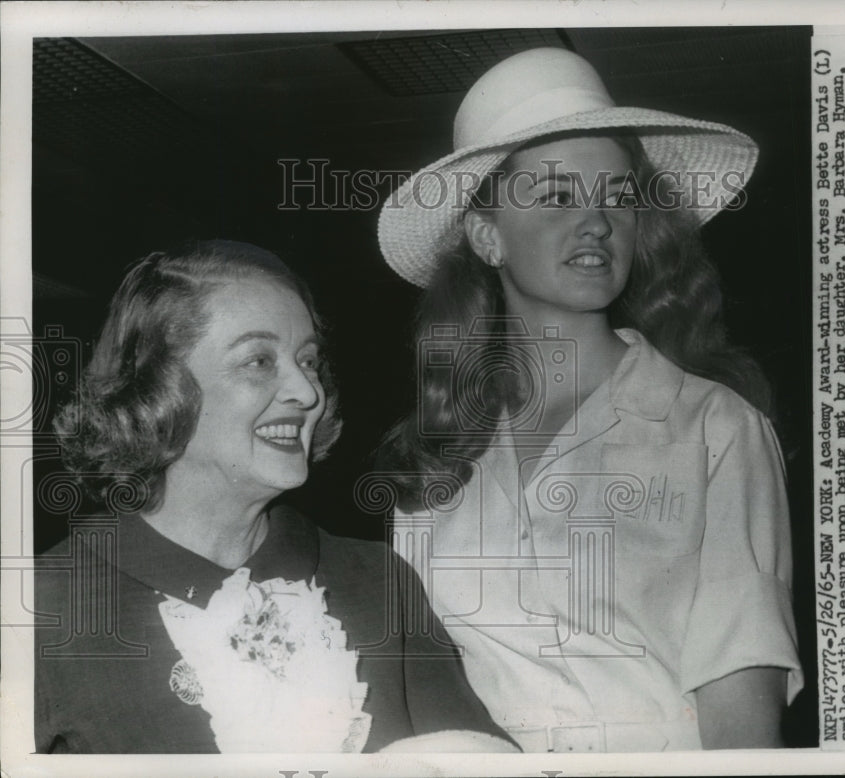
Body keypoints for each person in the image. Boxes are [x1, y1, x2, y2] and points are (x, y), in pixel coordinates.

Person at [376, 48, 803, 751]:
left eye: (617, 196)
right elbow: (420, 692)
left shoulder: (715, 427)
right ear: (487, 236)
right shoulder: (432, 460)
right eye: (556, 197)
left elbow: (743, 707)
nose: (598, 221)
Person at [34, 240, 518, 754]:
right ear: (158, 387)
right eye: (259, 360)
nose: (308, 393)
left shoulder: (378, 580)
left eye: (308, 361)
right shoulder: (41, 607)